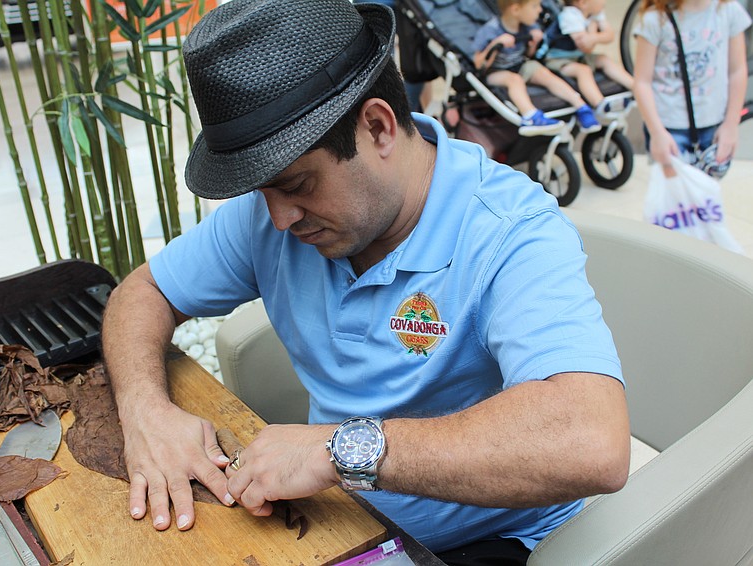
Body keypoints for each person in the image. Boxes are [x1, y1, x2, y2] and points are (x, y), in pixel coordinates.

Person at [101, 0, 631, 563]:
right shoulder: (272, 213)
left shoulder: (508, 230)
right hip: (341, 528)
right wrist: (146, 412)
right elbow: (143, 292)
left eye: (297, 185)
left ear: (377, 127)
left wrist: (340, 451)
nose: (279, 219)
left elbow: (591, 441)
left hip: (486, 542)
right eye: (263, 192)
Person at [632, 0, 750, 177]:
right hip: (669, 127)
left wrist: (731, 124)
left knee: (706, 190)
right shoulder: (655, 19)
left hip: (714, 124)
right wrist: (657, 133)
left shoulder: (728, 11)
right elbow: (642, 82)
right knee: (675, 190)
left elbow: (737, 71)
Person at [470, 0, 602, 136]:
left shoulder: (528, 26)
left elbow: (528, 55)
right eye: (534, 6)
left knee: (542, 72)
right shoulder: (491, 30)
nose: (540, 10)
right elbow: (478, 64)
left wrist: (533, 44)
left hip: (519, 65)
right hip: (495, 72)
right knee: (514, 80)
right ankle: (530, 116)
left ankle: (581, 106)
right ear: (516, 10)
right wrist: (496, 44)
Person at [543, 0, 635, 116]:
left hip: (578, 56)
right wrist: (593, 28)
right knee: (583, 71)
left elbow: (610, 36)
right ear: (583, 3)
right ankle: (599, 104)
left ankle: (636, 88)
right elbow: (586, 47)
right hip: (557, 60)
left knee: (603, 59)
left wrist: (592, 37)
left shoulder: (594, 11)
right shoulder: (569, 16)